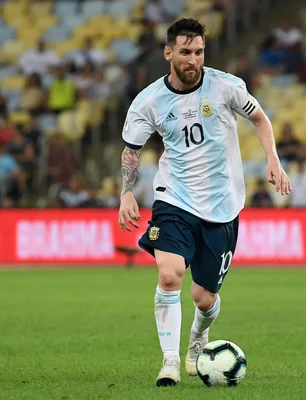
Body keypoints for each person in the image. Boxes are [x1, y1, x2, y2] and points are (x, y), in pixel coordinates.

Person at [117, 18, 291, 386]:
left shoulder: (226, 87)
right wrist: (126, 192)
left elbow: (260, 119)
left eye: (198, 52)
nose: (192, 59)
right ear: (168, 53)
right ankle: (170, 363)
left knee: (203, 298)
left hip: (223, 204)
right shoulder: (148, 101)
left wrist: (273, 159)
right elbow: (132, 150)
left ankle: (198, 340)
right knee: (169, 276)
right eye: (185, 52)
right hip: (174, 198)